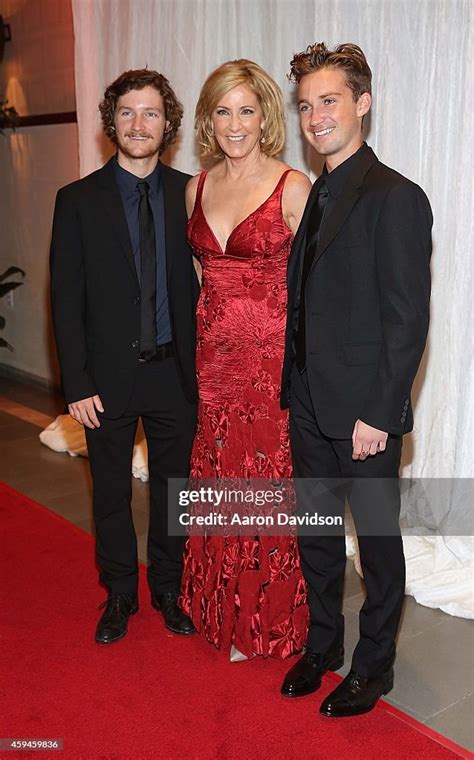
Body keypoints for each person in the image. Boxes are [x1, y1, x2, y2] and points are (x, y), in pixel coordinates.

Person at [280, 43, 432, 715]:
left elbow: (407, 321)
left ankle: (375, 667)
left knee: (375, 545)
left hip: (364, 413)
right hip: (310, 402)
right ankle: (323, 645)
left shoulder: (396, 196)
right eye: (307, 106)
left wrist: (381, 412)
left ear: (363, 103)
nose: (316, 118)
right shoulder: (316, 194)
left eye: (330, 101)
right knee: (315, 531)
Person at [50, 69, 199, 644]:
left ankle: (167, 587)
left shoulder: (189, 194)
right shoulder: (78, 201)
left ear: (169, 125)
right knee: (110, 492)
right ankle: (119, 592)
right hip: (105, 380)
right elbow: (65, 300)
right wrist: (76, 382)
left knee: (174, 491)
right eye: (129, 113)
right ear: (112, 122)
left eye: (153, 113)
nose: (141, 124)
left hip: (173, 374)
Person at [179, 59, 312, 659]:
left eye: (247, 110)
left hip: (270, 365)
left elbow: (317, 289)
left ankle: (266, 616)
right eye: (223, 111)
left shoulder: (293, 186)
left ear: (266, 117)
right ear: (210, 119)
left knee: (268, 480)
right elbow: (204, 275)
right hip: (215, 362)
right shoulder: (197, 186)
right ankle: (221, 607)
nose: (235, 124)